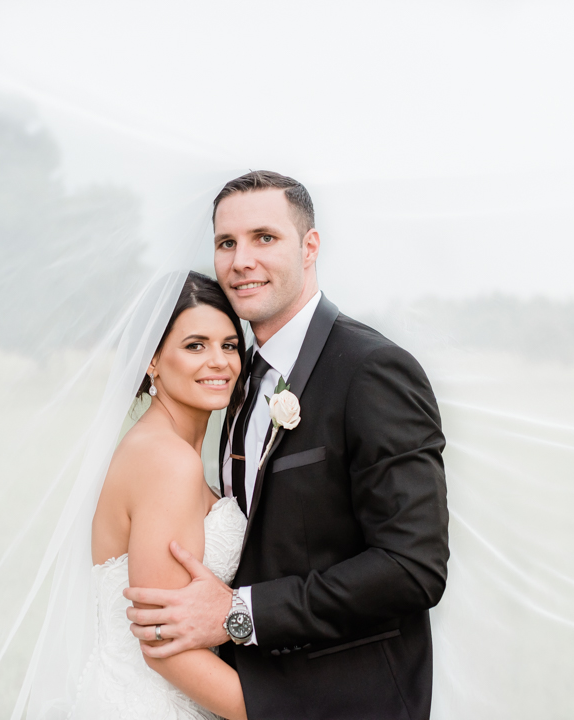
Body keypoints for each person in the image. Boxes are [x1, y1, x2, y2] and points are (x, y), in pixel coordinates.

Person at [124, 171, 450, 719]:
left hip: (346, 703)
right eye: (226, 243)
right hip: (249, 691)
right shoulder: (238, 379)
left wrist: (240, 614)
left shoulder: (372, 371)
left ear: (310, 246)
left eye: (264, 238)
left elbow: (412, 566)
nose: (241, 261)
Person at [79, 271, 250, 720]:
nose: (219, 362)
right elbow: (163, 643)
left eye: (229, 345)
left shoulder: (161, 447)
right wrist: (282, 711)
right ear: (152, 359)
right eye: (195, 346)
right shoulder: (167, 462)